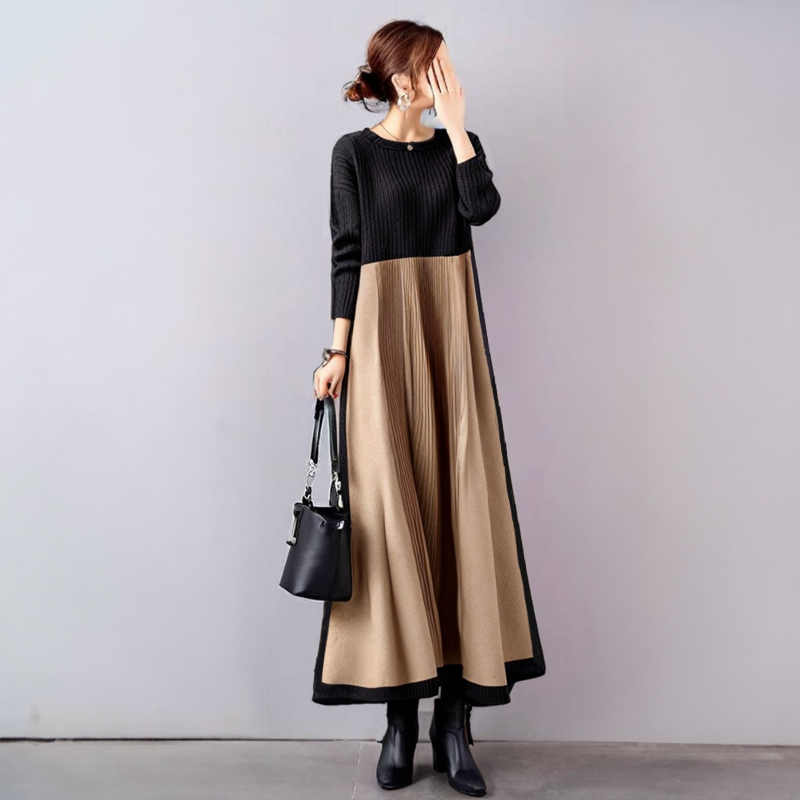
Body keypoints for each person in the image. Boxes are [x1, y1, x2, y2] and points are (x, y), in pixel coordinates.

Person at [311, 20, 546, 797]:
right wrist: (337, 352)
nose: (445, 75)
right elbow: (347, 251)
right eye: (432, 66)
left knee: (460, 510)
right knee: (391, 520)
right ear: (399, 75)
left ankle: (455, 721)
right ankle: (400, 721)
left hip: (450, 336)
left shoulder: (457, 146)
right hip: (379, 337)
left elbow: (482, 209)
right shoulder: (352, 153)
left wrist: (457, 128)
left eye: (445, 65)